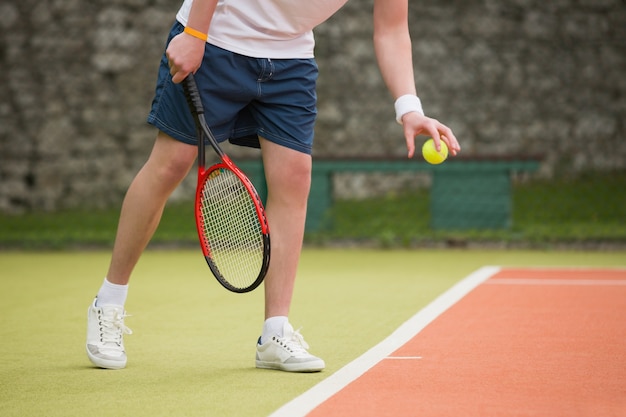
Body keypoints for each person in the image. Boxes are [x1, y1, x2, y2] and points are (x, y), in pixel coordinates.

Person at [85, 0, 460, 372]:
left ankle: (274, 334)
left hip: (290, 61)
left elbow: (392, 29)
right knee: (171, 164)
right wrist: (195, 33)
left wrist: (408, 107)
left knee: (295, 176)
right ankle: (109, 303)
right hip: (216, 40)